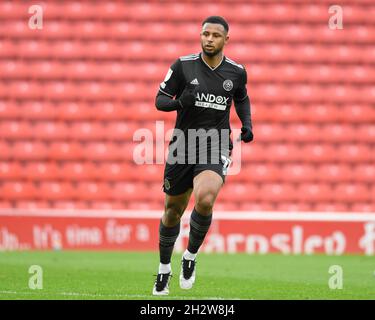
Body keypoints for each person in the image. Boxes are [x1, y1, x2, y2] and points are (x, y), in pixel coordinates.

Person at [152, 16, 253, 295]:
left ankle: (190, 257)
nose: (209, 39)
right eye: (205, 34)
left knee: (206, 198)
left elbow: (242, 97)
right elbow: (159, 100)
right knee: (173, 211)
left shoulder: (236, 72)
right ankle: (163, 269)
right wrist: (178, 103)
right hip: (183, 143)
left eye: (215, 35)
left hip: (216, 142)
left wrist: (247, 124)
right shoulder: (183, 66)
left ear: (225, 40)